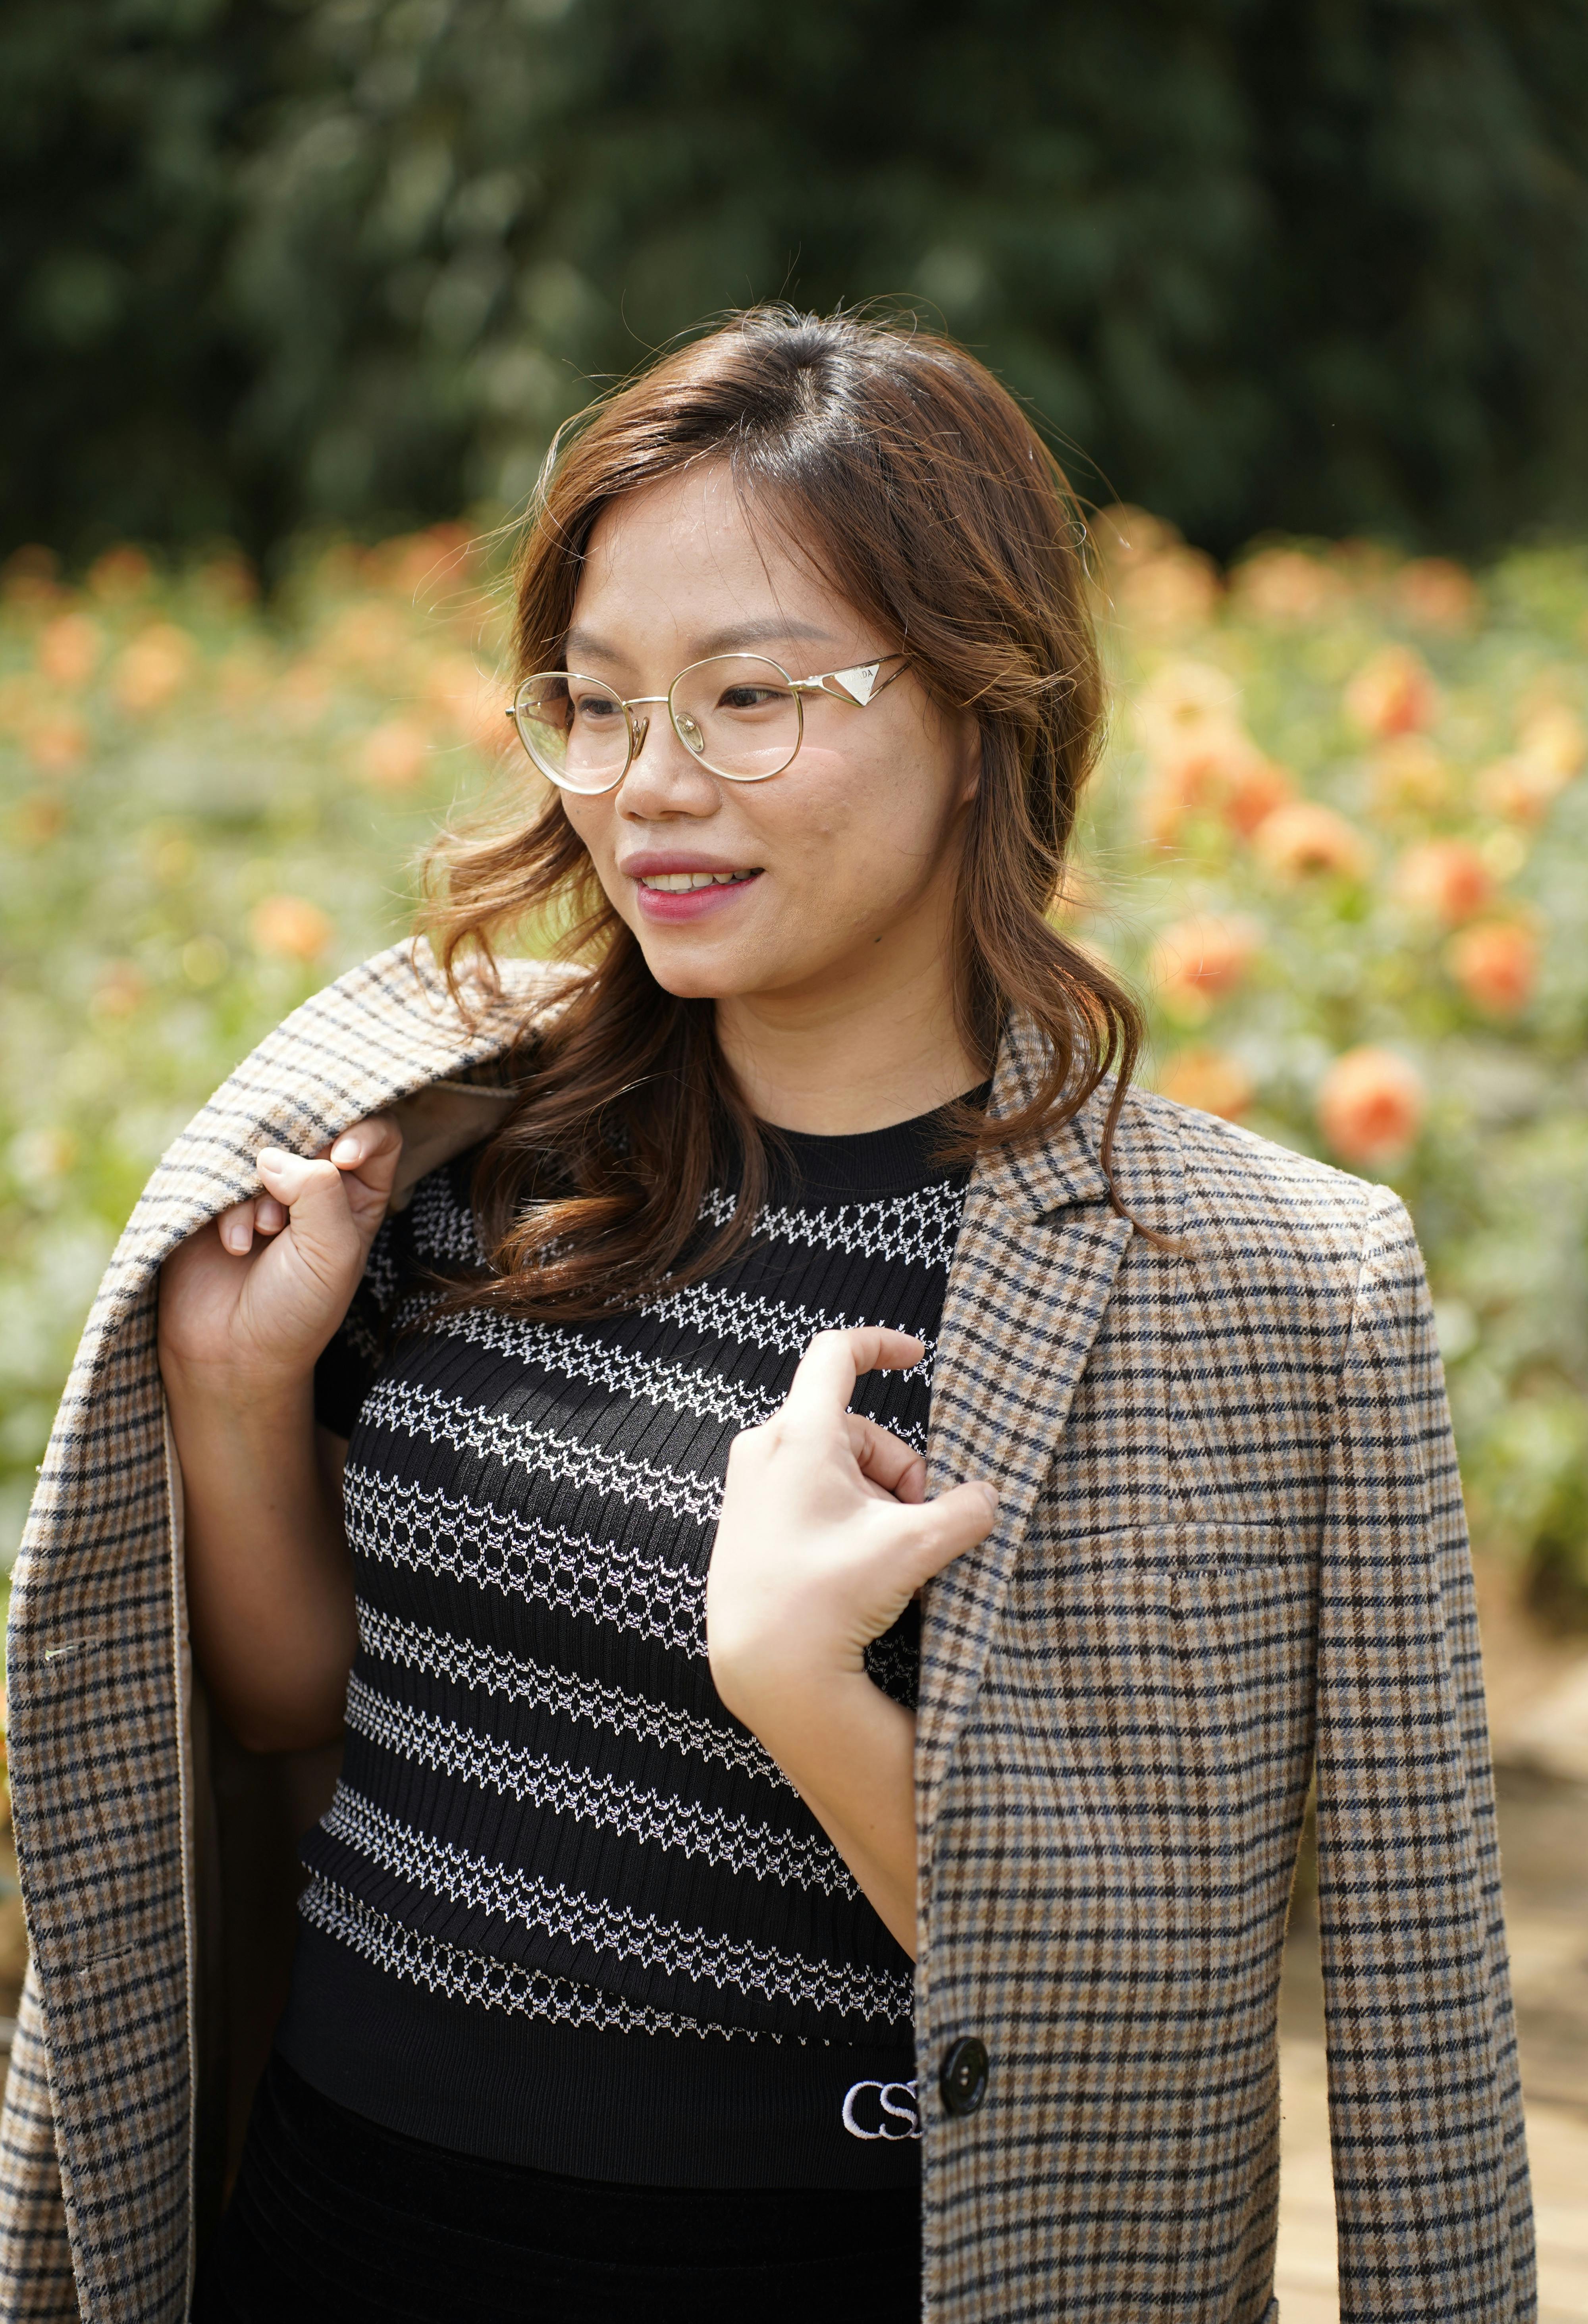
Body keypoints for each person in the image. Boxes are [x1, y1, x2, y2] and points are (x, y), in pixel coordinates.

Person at [1, 310, 1531, 2324]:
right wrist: (230, 1377)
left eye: (748, 699)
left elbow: (1174, 2023)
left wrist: (801, 1683)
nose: (653, 788)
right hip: (328, 2219)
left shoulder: (1255, 1290)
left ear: (984, 706)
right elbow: (308, 1718)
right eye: (601, 702)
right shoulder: (445, 1143)